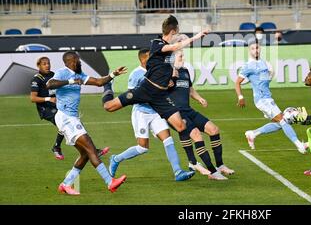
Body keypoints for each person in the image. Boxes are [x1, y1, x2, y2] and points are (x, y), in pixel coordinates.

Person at [101, 16, 208, 181]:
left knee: (180, 126)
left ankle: (179, 171)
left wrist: (170, 76)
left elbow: (175, 49)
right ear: (172, 31)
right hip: (145, 92)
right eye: (177, 32)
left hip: (159, 97)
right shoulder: (157, 44)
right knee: (109, 107)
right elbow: (178, 45)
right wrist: (197, 36)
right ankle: (115, 158)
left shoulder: (168, 50)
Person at [108, 48, 195, 182]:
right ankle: (116, 159)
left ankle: (178, 171)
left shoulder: (158, 70)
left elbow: (163, 89)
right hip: (141, 113)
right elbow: (131, 95)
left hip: (156, 112)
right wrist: (149, 94)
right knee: (143, 147)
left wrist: (169, 84)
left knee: (168, 139)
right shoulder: (136, 74)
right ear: (143, 59)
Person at [46, 51, 127, 195]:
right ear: (71, 61)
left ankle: (66, 184)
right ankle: (110, 182)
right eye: (77, 60)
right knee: (90, 148)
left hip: (72, 118)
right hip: (65, 117)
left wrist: (113, 74)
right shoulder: (63, 72)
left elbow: (98, 82)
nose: (79, 62)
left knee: (84, 154)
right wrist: (70, 81)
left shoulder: (79, 74)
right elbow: (49, 84)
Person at [169, 47, 234, 180]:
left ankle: (220, 165)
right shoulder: (167, 73)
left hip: (188, 110)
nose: (184, 59)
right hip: (176, 113)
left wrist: (199, 98)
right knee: (197, 136)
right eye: (181, 56)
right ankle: (212, 172)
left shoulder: (185, 71)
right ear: (172, 58)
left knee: (214, 130)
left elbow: (190, 89)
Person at [236, 39, 307, 154]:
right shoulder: (248, 66)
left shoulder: (264, 63)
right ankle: (299, 145)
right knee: (284, 120)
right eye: (253, 48)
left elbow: (266, 78)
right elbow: (237, 82)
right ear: (249, 51)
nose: (256, 50)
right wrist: (240, 97)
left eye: (257, 48)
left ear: (261, 49)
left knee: (280, 123)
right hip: (262, 99)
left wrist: (268, 76)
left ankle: (253, 133)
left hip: (268, 97)